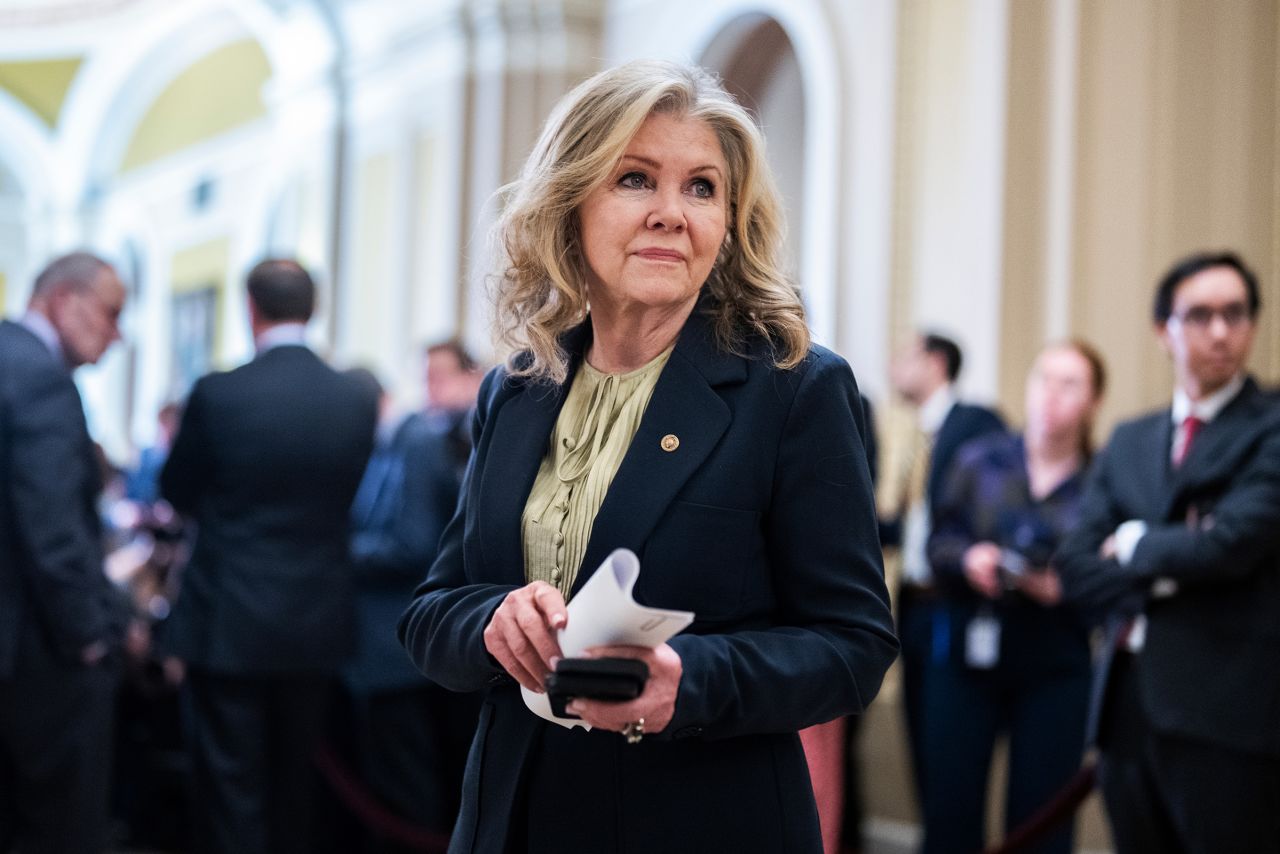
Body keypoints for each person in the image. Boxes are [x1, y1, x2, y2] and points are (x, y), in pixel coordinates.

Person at [398, 60, 898, 853]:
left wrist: (687, 683)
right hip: (514, 814)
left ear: (730, 221)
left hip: (701, 819)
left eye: (702, 188)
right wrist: (493, 621)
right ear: (570, 204)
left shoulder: (792, 389)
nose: (673, 212)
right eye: (636, 179)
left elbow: (853, 646)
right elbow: (432, 609)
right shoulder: (519, 389)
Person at [1056, 251, 1280, 853]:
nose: (1219, 332)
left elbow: (1234, 544)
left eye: (1235, 314)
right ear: (1164, 331)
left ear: (1253, 324)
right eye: (1200, 314)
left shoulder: (1272, 426)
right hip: (1125, 710)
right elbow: (1076, 566)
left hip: (1227, 717)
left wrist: (1130, 543)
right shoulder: (1130, 439)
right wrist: (1176, 560)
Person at [159, 259, 379, 854]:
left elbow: (176, 490)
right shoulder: (356, 398)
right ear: (315, 308)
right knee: (295, 788)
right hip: (316, 618)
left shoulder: (219, 391)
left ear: (249, 308)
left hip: (228, 617)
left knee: (230, 787)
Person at [922, 340, 1106, 854]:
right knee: (951, 807)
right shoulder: (980, 460)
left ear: (1093, 401)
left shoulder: (1103, 481)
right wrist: (969, 559)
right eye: (1043, 379)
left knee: (1042, 814)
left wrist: (1066, 586)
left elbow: (1114, 577)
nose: (1052, 395)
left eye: (1070, 384)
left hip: (1055, 658)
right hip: (969, 646)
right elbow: (937, 544)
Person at [0, 251, 129, 852]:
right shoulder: (40, 377)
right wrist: (93, 638)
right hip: (37, 653)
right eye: (110, 312)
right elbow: (53, 532)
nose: (117, 332)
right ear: (63, 299)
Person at [333, 367, 478, 848]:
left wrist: (335, 552)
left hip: (397, 654)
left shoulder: (413, 443)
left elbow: (414, 544)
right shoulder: (395, 444)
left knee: (406, 790)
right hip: (382, 653)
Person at [878, 332, 1004, 813]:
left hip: (955, 606)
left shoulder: (974, 423)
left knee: (948, 744)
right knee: (920, 735)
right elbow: (907, 522)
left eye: (903, 356)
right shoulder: (911, 434)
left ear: (934, 362)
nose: (892, 367)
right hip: (912, 603)